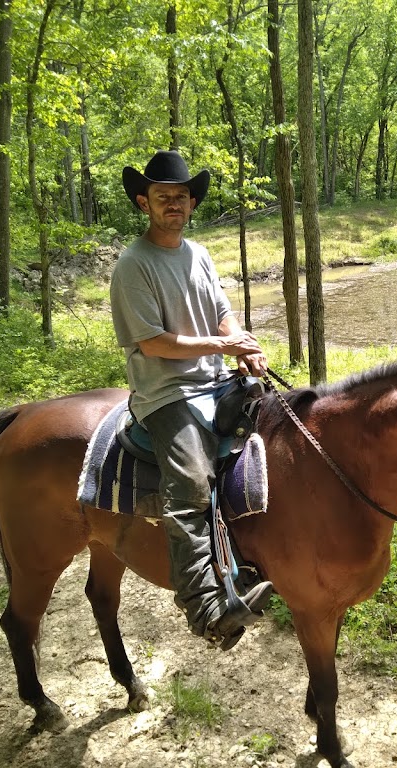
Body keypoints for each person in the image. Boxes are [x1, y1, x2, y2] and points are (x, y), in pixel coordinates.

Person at [110, 150, 273, 650]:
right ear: (145, 203)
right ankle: (204, 608)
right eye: (163, 196)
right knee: (191, 485)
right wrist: (223, 346)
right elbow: (154, 342)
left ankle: (254, 560)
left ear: (191, 202)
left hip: (216, 378)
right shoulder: (133, 264)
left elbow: (222, 312)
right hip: (167, 392)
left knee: (281, 435)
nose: (174, 203)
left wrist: (242, 344)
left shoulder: (198, 253)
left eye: (181, 196)